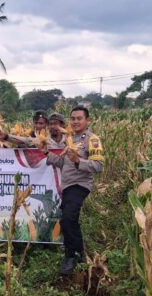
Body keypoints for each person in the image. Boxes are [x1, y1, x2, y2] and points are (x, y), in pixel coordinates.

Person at [41, 106, 104, 275]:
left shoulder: (93, 140)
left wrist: (78, 161)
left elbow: (98, 166)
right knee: (69, 219)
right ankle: (80, 254)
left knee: (68, 218)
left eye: (79, 118)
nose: (75, 122)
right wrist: (46, 153)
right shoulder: (67, 140)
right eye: (73, 119)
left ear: (87, 120)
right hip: (67, 185)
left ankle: (71, 256)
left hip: (80, 184)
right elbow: (63, 163)